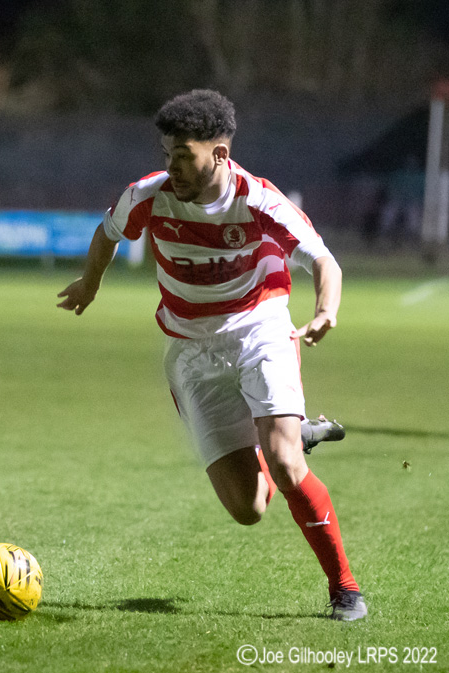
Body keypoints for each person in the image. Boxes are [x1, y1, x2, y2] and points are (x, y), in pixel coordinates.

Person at [57, 89, 366, 620]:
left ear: (219, 154)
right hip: (190, 351)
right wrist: (89, 284)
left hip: (259, 329)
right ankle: (293, 434)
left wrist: (325, 311)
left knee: (287, 466)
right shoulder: (148, 196)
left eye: (184, 155)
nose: (171, 167)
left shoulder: (260, 200)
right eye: (167, 155)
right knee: (248, 510)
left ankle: (345, 589)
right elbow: (107, 234)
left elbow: (323, 260)